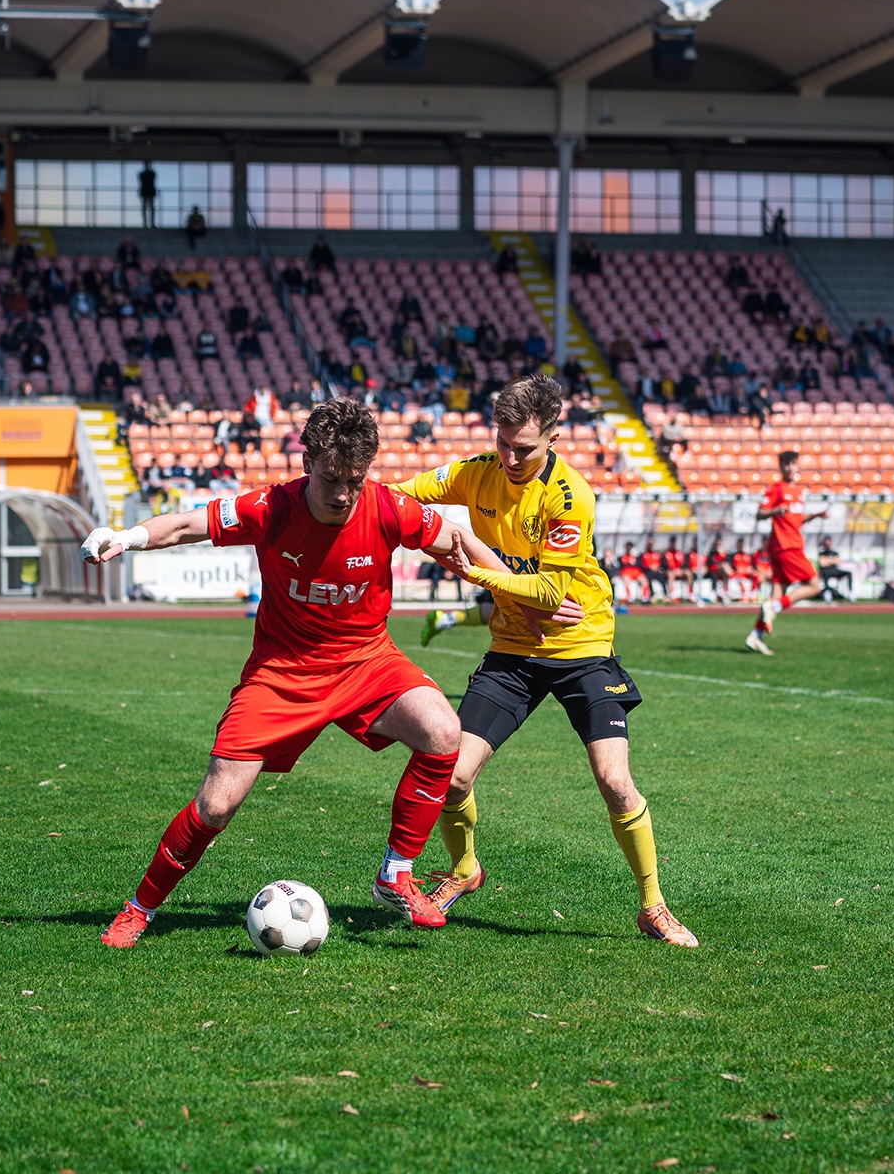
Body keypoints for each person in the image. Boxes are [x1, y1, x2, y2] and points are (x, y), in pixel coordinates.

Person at [82, 398, 568, 948]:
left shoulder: (387, 507)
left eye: (354, 481)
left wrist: (524, 597)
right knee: (216, 803)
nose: (342, 494)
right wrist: (127, 538)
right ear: (307, 461)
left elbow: (461, 541)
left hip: (366, 661)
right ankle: (139, 909)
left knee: (442, 730)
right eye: (331, 479)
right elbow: (186, 524)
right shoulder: (271, 507)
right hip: (282, 672)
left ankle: (396, 873)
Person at [401, 374, 698, 947]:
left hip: (581, 647)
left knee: (615, 782)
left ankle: (653, 905)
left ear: (553, 438)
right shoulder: (475, 472)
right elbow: (398, 494)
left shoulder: (570, 497)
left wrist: (473, 569)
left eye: (524, 448)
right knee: (453, 774)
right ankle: (464, 870)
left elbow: (547, 594)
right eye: (503, 442)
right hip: (513, 650)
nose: (510, 458)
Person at [746, 451, 829, 656]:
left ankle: (756, 635)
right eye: (786, 464)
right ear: (781, 468)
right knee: (814, 585)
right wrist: (774, 511)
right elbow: (759, 513)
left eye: (793, 464)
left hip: (784, 546)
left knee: (778, 591)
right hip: (787, 546)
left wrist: (817, 515)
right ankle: (775, 607)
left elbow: (797, 518)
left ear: (798, 466)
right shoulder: (776, 489)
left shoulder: (799, 491)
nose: (790, 468)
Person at [817, 537, 852, 601]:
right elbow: (822, 563)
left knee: (849, 573)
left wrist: (828, 560)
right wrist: (833, 560)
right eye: (826, 542)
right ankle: (827, 592)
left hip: (835, 570)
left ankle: (850, 593)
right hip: (826, 572)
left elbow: (839, 561)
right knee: (825, 573)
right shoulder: (822, 553)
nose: (828, 544)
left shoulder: (835, 553)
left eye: (829, 542)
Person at [138, 164, 157, 228]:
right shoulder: (151, 174)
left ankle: (147, 223)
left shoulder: (143, 174)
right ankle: (148, 223)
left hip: (147, 192)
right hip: (148, 192)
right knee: (149, 208)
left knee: (147, 208)